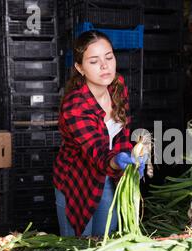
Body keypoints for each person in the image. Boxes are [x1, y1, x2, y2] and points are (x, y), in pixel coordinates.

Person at [53, 30, 146, 237]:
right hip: (76, 182)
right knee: (78, 248)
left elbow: (122, 132)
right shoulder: (75, 105)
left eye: (109, 57)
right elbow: (98, 151)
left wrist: (132, 157)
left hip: (106, 177)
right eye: (94, 61)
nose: (105, 66)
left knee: (105, 240)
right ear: (80, 68)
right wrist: (118, 160)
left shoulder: (117, 85)